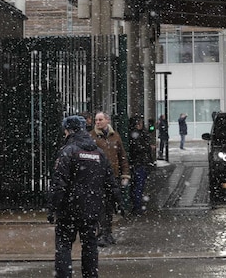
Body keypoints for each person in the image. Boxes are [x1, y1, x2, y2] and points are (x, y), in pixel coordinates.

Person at [49, 115, 117, 278]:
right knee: (90, 245)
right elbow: (110, 181)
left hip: (69, 209)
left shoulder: (68, 152)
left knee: (64, 245)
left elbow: (59, 184)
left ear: (69, 130)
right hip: (92, 209)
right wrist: (115, 202)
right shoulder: (98, 153)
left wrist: (53, 208)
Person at [91, 111, 130, 246]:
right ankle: (101, 233)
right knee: (100, 207)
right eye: (96, 120)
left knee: (110, 207)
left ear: (107, 120)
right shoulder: (92, 137)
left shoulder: (115, 136)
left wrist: (125, 174)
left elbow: (122, 156)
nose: (98, 122)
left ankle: (108, 232)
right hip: (98, 178)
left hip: (113, 177)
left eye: (100, 119)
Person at [128, 118, 154, 216]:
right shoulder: (136, 135)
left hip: (140, 163)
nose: (140, 125)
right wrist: (148, 147)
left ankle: (137, 205)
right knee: (138, 186)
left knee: (138, 186)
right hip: (139, 163)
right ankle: (137, 206)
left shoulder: (140, 134)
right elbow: (138, 148)